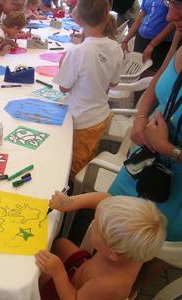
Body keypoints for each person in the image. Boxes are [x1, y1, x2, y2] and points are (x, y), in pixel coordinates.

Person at [108, 0, 182, 294]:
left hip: (174, 188)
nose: (171, 15)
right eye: (170, 4)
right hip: (145, 161)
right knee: (111, 222)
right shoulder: (179, 33)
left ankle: (129, 289)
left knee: (148, 247)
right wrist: (140, 117)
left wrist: (169, 149)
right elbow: (158, 80)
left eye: (179, 6)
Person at [36, 192, 166, 300]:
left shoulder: (108, 286)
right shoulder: (131, 251)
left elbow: (73, 298)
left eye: (95, 227)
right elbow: (104, 200)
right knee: (60, 244)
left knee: (39, 278)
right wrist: (69, 202)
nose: (93, 223)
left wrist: (59, 274)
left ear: (112, 253)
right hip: (83, 269)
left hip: (74, 293)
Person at [53, 0, 123, 179]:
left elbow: (63, 88)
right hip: (101, 114)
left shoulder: (77, 52)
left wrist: (63, 64)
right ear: (107, 17)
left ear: (79, 20)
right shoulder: (116, 47)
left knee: (75, 164)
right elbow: (114, 84)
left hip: (81, 121)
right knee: (89, 151)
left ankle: (72, 195)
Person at [121, 0, 175, 72]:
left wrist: (153, 44)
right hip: (141, 39)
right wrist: (125, 40)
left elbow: (173, 23)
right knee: (136, 70)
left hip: (161, 43)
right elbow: (141, 16)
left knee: (152, 74)